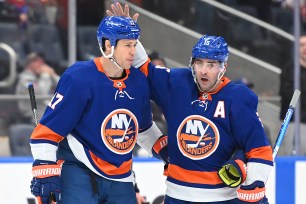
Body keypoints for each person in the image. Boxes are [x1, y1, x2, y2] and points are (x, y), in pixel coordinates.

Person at [107, 3, 274, 203]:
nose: (204, 70)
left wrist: (254, 184)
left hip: (223, 198)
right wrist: (127, 36)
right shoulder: (177, 84)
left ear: (223, 67)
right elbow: (144, 68)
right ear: (192, 63)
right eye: (199, 63)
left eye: (211, 65)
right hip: (178, 196)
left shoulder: (237, 97)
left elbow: (259, 149)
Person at [29, 16, 167, 204]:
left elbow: (141, 128)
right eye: (128, 45)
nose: (133, 52)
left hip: (121, 176)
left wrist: (165, 151)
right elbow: (47, 132)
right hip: (79, 171)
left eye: (135, 45)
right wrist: (44, 167)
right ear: (108, 45)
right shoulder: (79, 78)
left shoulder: (138, 81)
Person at [279, 34, 306, 155]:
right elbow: (289, 94)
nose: (305, 48)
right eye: (302, 45)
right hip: (294, 121)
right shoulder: (290, 69)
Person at [15, 52, 59, 123]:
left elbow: (62, 87)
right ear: (29, 64)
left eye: (42, 62)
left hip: (46, 118)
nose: (42, 65)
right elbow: (41, 93)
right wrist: (46, 74)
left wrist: (53, 75)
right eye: (38, 62)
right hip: (32, 119)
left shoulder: (41, 78)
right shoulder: (24, 79)